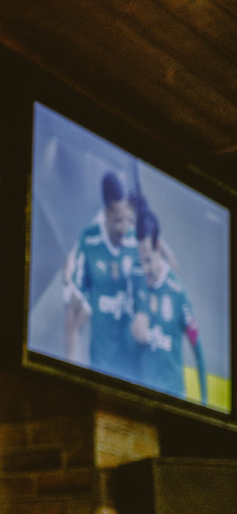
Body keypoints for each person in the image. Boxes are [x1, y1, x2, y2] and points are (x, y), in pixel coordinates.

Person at [63, 171, 141, 380]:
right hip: (101, 365)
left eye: (126, 219)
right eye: (117, 220)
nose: (123, 227)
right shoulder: (89, 240)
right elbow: (74, 309)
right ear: (105, 213)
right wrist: (69, 364)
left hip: (134, 366)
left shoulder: (135, 241)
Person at [130, 207, 205, 402]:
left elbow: (197, 348)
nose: (144, 268)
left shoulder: (178, 292)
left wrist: (205, 403)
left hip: (173, 399)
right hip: (141, 397)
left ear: (158, 248)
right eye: (141, 260)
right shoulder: (137, 276)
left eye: (148, 260)